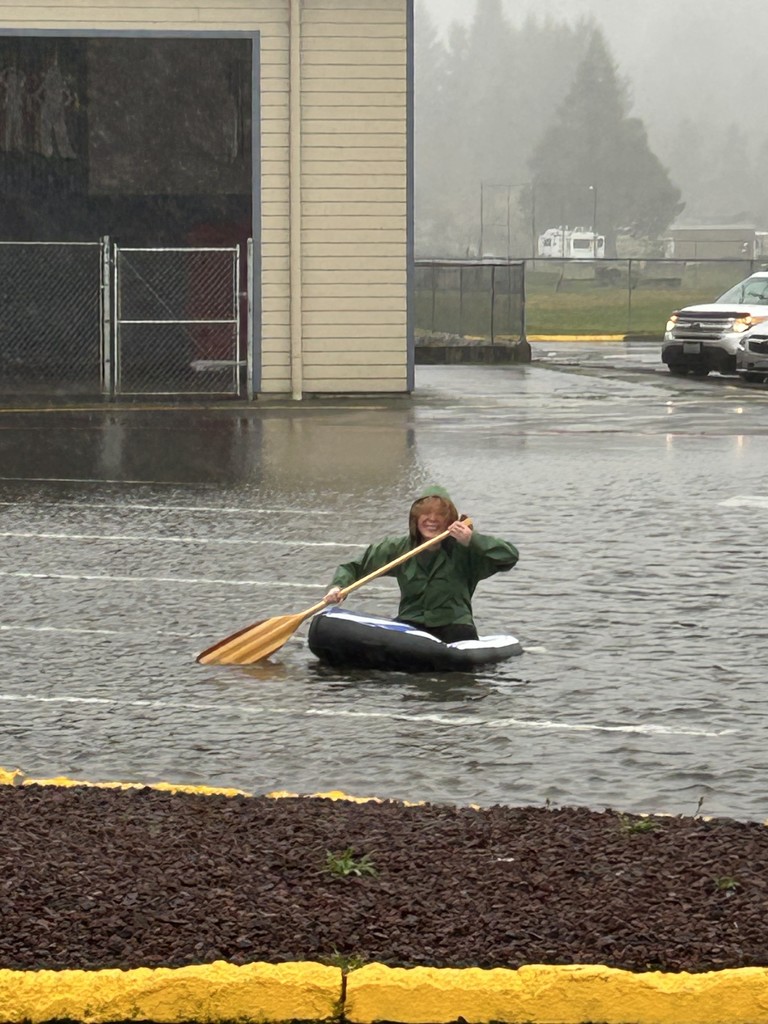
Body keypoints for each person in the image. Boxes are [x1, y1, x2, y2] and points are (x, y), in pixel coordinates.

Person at [323, 485, 519, 643]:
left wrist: (472, 540)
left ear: (449, 520)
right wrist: (338, 587)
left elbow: (509, 557)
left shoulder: (466, 551)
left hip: (454, 627)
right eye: (425, 514)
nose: (432, 520)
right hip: (411, 624)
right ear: (415, 519)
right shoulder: (398, 548)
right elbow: (354, 567)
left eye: (440, 515)